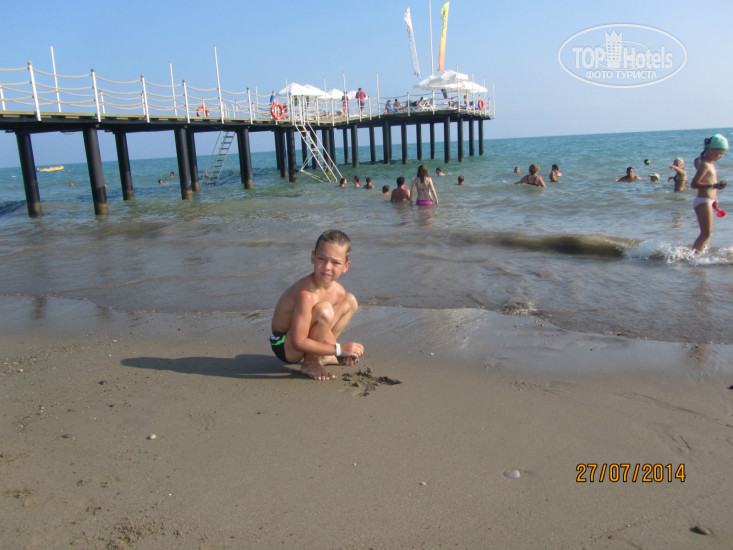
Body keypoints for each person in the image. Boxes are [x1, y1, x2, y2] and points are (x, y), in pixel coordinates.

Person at [270, 230, 364, 380]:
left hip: (304, 335)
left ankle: (323, 356)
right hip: (285, 343)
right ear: (313, 257)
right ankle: (310, 363)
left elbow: (325, 330)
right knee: (324, 310)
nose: (327, 267)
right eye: (321, 258)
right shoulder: (305, 294)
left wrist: (339, 353)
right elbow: (298, 342)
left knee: (350, 301)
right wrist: (339, 349)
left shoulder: (339, 292)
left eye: (335, 262)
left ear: (346, 266)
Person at [691, 134, 728, 254]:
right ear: (711, 150)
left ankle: (702, 255)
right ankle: (693, 256)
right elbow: (694, 183)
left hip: (709, 201)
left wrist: (715, 198)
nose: (722, 156)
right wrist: (713, 186)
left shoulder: (710, 164)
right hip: (703, 201)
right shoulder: (705, 164)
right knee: (706, 233)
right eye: (720, 153)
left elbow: (711, 183)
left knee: (708, 233)